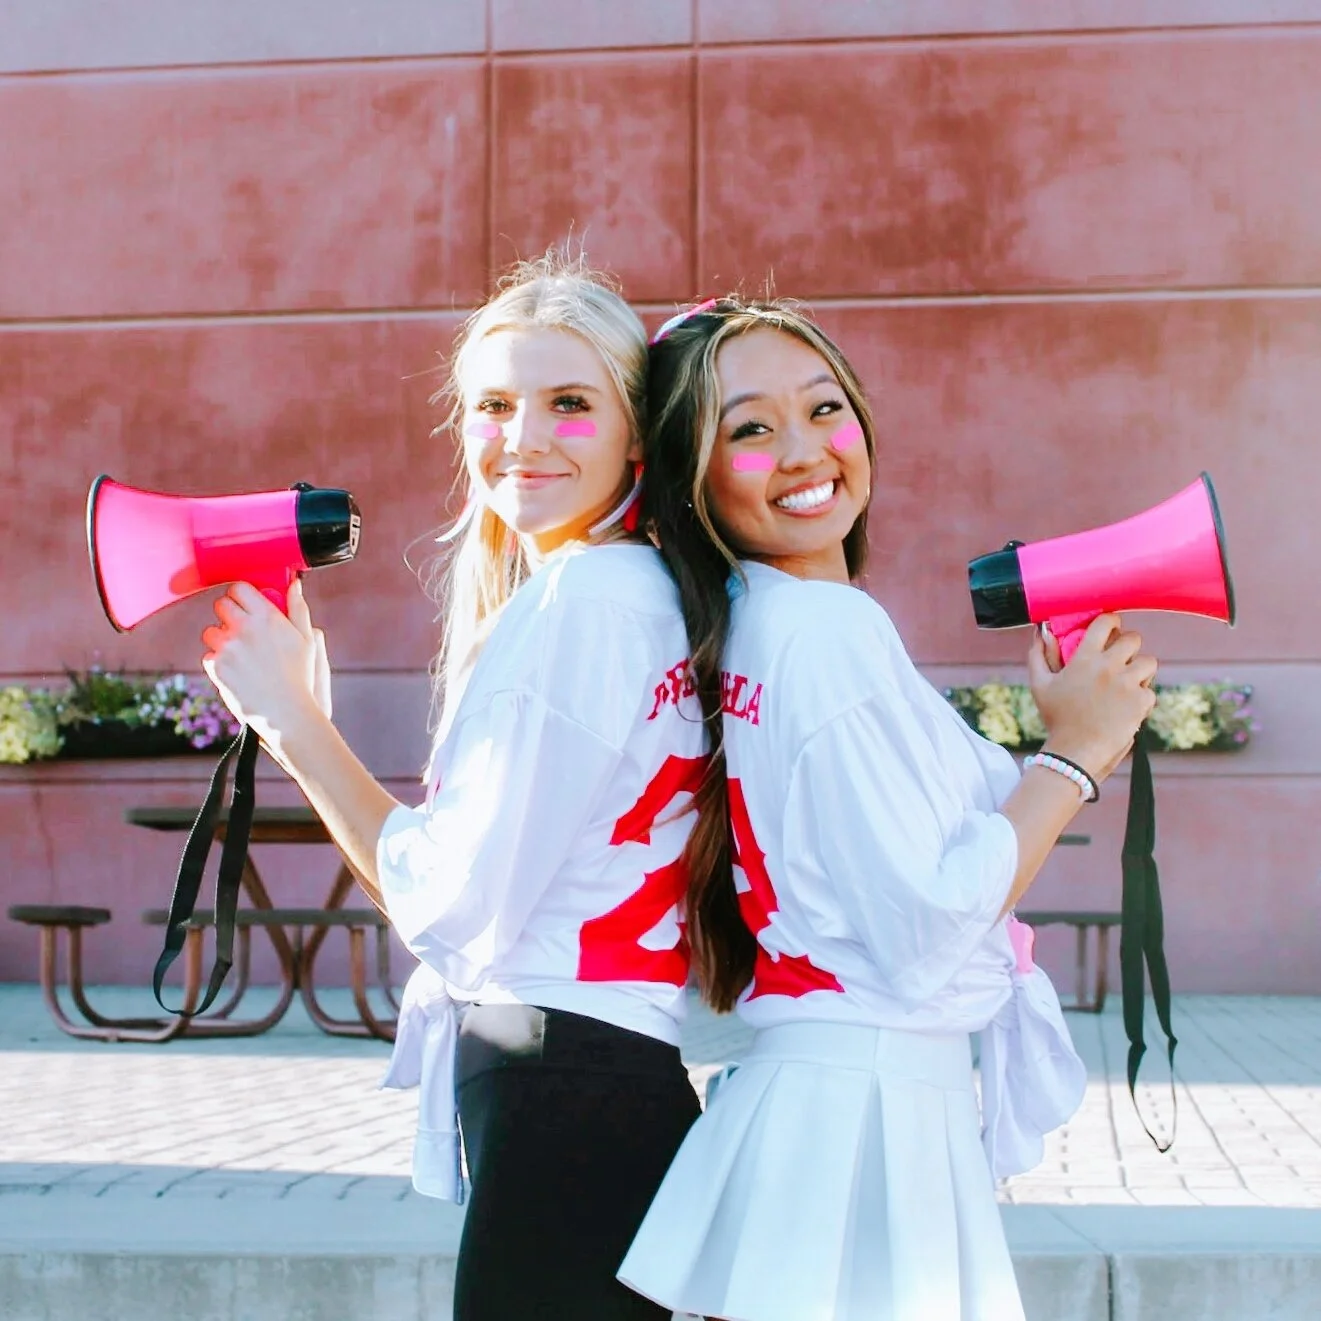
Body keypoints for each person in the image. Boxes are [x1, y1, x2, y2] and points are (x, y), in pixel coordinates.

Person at [619, 297, 1158, 1321]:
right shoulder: (826, 633)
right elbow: (923, 925)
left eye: (824, 407)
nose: (804, 449)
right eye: (749, 427)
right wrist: (1075, 755)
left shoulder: (759, 623)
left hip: (826, 1099)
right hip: (864, 1111)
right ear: (692, 474)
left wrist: (1069, 737)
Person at [198, 254, 711, 1321]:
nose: (524, 437)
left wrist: (295, 724)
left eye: (570, 403)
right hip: (596, 1078)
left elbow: (448, 902)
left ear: (636, 433)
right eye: (494, 405)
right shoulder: (623, 590)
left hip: (565, 1082)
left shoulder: (583, 602)